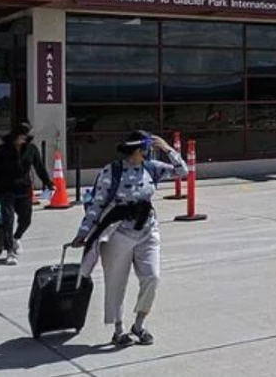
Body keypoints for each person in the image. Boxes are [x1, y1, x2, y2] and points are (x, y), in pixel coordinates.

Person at [71, 131, 188, 347]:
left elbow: (183, 171)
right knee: (116, 283)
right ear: (136, 150)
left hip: (147, 230)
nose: (149, 152)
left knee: (152, 277)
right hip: (118, 233)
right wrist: (84, 232)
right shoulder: (112, 171)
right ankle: (119, 330)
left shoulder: (152, 167)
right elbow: (96, 204)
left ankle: (139, 324)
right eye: (146, 148)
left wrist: (168, 149)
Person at [0, 122, 49, 265]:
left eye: (26, 136)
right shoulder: (2, 150)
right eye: (21, 136)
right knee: (8, 221)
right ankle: (10, 253)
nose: (24, 139)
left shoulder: (31, 149)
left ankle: (16, 237)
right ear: (15, 136)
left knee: (26, 220)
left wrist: (48, 183)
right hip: (6, 189)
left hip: (24, 189)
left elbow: (39, 167)